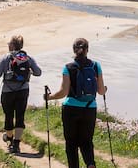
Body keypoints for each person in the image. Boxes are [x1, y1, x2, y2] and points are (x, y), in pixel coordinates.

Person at [44, 38, 108, 168]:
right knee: (86, 141)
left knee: (71, 143)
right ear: (87, 50)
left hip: (71, 109)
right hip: (90, 108)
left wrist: (49, 97)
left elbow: (63, 92)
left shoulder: (68, 67)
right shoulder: (96, 66)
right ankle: (90, 164)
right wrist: (105, 89)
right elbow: (101, 91)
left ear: (74, 50)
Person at [0, 35, 42, 154]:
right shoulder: (28, 58)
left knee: (8, 115)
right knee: (20, 116)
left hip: (7, 91)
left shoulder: (5, 58)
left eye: (9, 43)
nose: (8, 45)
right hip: (23, 90)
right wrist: (29, 71)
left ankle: (9, 138)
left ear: (12, 45)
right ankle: (16, 144)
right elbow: (38, 72)